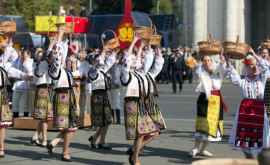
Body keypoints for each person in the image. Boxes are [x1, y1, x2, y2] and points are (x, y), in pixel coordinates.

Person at [121, 35, 165, 165]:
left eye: (139, 59)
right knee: (141, 133)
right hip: (134, 103)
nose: (137, 60)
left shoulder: (146, 75)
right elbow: (127, 61)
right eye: (135, 60)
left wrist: (156, 47)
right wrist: (135, 42)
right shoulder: (127, 76)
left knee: (155, 132)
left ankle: (135, 150)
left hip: (148, 104)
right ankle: (135, 158)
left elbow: (158, 63)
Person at [227, 48, 270, 159]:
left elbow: (266, 67)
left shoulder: (262, 78)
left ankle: (260, 159)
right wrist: (227, 62)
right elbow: (233, 75)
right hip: (245, 111)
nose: (253, 67)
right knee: (244, 139)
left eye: (254, 65)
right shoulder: (243, 81)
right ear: (246, 68)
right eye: (250, 66)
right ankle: (249, 157)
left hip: (259, 110)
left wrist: (255, 55)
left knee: (261, 138)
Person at [46, 24, 79, 162]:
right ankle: (65, 152)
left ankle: (55, 142)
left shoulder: (66, 70)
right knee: (70, 126)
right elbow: (58, 54)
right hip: (62, 96)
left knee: (72, 126)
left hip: (69, 96)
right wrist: (59, 36)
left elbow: (63, 51)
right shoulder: (54, 69)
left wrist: (65, 37)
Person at [0, 32, 31, 158]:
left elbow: (13, 71)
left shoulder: (4, 64)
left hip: (1, 93)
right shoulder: (4, 61)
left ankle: (1, 148)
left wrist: (26, 76)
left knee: (2, 125)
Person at [190, 53, 227, 158]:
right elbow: (194, 68)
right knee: (202, 125)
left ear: (212, 61)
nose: (207, 62)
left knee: (212, 127)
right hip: (204, 99)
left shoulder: (218, 71)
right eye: (205, 60)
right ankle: (195, 148)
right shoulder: (200, 71)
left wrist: (223, 59)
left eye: (209, 60)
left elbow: (223, 67)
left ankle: (203, 149)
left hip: (215, 100)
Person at [87, 30, 118, 150]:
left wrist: (114, 51)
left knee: (108, 120)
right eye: (96, 60)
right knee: (102, 121)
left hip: (104, 95)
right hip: (97, 96)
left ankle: (98, 139)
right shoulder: (92, 71)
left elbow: (110, 62)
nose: (99, 61)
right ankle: (97, 140)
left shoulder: (102, 69)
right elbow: (98, 63)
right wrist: (103, 52)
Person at [31, 48, 52, 147]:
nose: (40, 55)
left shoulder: (39, 63)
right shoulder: (41, 63)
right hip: (43, 89)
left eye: (41, 53)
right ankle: (44, 139)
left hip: (45, 89)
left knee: (44, 117)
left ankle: (35, 136)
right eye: (38, 54)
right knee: (44, 118)